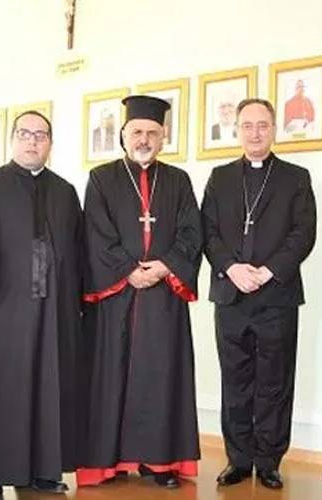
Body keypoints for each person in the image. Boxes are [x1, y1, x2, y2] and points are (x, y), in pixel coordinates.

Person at [78, 94, 202, 489]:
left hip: (164, 293)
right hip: (117, 294)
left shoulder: (179, 180)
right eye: (136, 132)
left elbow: (191, 232)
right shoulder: (102, 178)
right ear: (123, 136)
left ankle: (160, 461)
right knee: (109, 375)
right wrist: (128, 270)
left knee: (162, 375)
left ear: (163, 137)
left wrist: (165, 266)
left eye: (152, 132)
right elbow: (95, 234)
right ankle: (107, 462)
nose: (144, 138)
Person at [0, 111, 84, 500]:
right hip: (3, 305)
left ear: (51, 142)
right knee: (1, 390)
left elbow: (78, 251)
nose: (33, 141)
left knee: (51, 386)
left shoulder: (65, 191)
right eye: (25, 134)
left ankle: (45, 471)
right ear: (13, 139)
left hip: (54, 308)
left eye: (41, 135)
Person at [201, 98, 317, 490]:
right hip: (230, 296)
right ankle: (238, 459)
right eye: (247, 125)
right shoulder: (219, 177)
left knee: (274, 383)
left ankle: (268, 460)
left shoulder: (296, 177)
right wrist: (232, 269)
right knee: (235, 382)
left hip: (277, 297)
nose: (255, 133)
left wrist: (267, 271)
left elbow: (303, 233)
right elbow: (208, 232)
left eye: (263, 125)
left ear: (274, 129)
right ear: (237, 130)